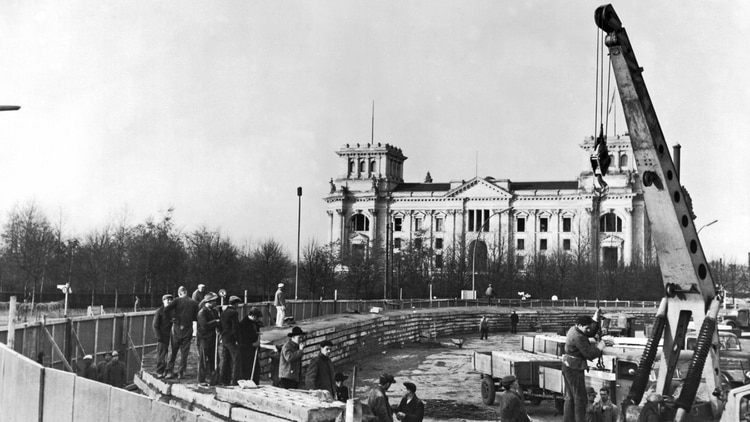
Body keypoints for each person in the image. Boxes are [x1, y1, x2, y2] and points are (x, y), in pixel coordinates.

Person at [562, 314, 611, 422]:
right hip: (575, 369)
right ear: (579, 325)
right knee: (580, 399)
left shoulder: (574, 329)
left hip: (568, 366)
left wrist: (595, 318)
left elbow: (590, 332)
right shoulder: (578, 337)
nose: (589, 330)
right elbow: (589, 354)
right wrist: (600, 347)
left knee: (570, 398)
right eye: (587, 327)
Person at [164, 286, 199, 379]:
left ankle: (170, 371)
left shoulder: (176, 301)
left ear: (179, 293)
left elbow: (166, 310)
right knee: (185, 352)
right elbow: (196, 317)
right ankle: (181, 372)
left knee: (173, 351)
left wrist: (172, 318)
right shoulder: (194, 303)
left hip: (177, 328)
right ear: (186, 292)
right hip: (188, 328)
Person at [196, 292, 221, 385]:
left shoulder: (214, 311)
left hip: (213, 339)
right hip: (203, 339)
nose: (215, 302)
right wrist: (215, 322)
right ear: (208, 302)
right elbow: (204, 326)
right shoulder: (202, 312)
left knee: (214, 359)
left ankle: (213, 378)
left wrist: (218, 326)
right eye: (213, 301)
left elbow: (218, 322)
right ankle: (201, 380)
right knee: (202, 360)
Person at [219, 296, 242, 386]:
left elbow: (220, 325)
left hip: (224, 338)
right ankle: (236, 380)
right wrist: (238, 340)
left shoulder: (223, 312)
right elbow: (235, 328)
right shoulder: (234, 313)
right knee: (237, 358)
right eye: (238, 304)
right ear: (235, 303)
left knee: (226, 359)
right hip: (231, 339)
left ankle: (224, 380)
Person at [239, 306, 264, 384]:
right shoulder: (243, 324)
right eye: (257, 318)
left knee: (256, 368)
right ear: (253, 316)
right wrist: (252, 344)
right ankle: (247, 382)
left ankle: (255, 382)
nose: (258, 320)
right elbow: (242, 339)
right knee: (247, 368)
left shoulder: (255, 323)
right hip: (246, 350)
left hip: (254, 349)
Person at [152, 294, 173, 378]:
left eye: (170, 300)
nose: (168, 301)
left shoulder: (173, 311)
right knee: (162, 355)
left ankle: (168, 371)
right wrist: (159, 337)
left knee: (170, 355)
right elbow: (155, 325)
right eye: (166, 300)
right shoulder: (159, 311)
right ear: (163, 301)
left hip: (171, 336)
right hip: (162, 336)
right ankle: (160, 370)